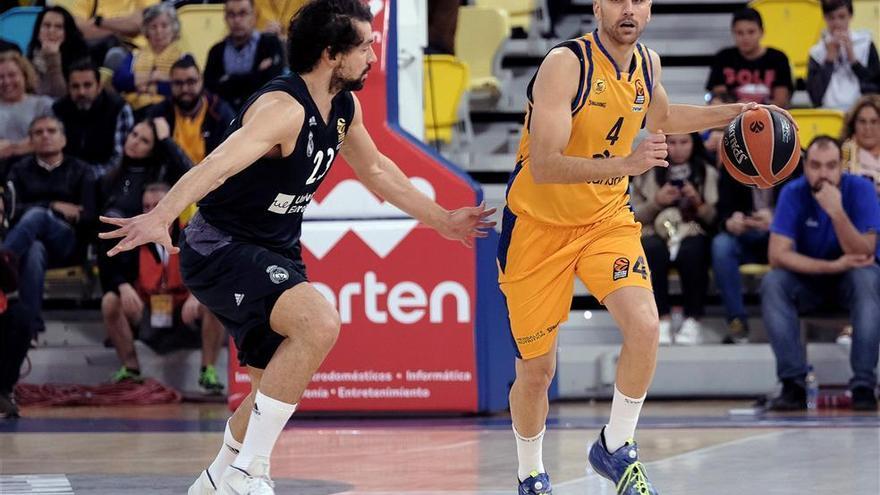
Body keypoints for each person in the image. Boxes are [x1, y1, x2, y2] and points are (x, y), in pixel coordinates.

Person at [99, 2, 493, 494]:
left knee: (271, 383)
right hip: (221, 244)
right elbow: (216, 165)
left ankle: (214, 480)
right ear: (331, 54)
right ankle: (250, 473)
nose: (373, 54)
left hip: (273, 249)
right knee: (320, 323)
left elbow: (376, 171)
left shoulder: (345, 107)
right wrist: (161, 215)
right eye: (364, 46)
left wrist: (442, 220)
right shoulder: (282, 108)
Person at [496, 0, 794, 492]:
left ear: (650, 9)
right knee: (536, 372)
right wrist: (629, 165)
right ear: (598, 7)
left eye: (638, 0)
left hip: (605, 222)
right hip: (537, 229)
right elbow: (544, 165)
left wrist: (737, 111)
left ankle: (615, 445)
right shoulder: (565, 64)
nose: (628, 9)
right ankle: (530, 473)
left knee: (646, 324)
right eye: (617, 0)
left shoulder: (646, 63)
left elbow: (666, 115)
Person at [762, 136, 880, 412]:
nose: (823, 174)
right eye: (815, 165)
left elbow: (865, 252)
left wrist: (837, 213)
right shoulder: (793, 192)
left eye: (830, 166)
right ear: (804, 165)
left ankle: (863, 384)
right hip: (809, 282)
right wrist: (833, 266)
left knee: (869, 276)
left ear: (842, 167)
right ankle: (793, 384)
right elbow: (777, 255)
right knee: (773, 282)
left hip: (850, 282)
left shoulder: (861, 189)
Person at [102, 184, 225, 393]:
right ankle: (131, 369)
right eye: (146, 206)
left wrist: (196, 296)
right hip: (147, 313)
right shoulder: (132, 238)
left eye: (157, 205)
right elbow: (110, 268)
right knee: (110, 302)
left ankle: (208, 370)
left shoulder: (193, 234)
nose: (150, 211)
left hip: (185, 314)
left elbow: (214, 271)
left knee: (214, 302)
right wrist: (123, 286)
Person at [3, 116, 94, 338]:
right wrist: (52, 206)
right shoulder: (19, 170)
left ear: (63, 139)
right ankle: (29, 329)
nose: (45, 136)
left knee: (37, 216)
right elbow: (11, 212)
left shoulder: (81, 170)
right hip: (28, 245)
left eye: (51, 131)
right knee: (35, 250)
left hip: (66, 242)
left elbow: (89, 215)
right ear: (31, 140)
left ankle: (2, 262)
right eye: (38, 132)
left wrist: (48, 213)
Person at [631, 133, 718, 345]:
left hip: (692, 231)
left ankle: (692, 319)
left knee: (694, 250)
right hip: (655, 232)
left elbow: (715, 219)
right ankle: (661, 318)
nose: (678, 148)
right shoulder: (646, 172)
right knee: (650, 250)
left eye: (684, 142)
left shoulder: (707, 173)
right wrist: (657, 201)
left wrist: (697, 203)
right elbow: (632, 216)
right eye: (672, 142)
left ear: (693, 144)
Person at [53, 60, 135, 178]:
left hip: (106, 178)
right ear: (68, 88)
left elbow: (120, 158)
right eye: (75, 86)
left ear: (99, 86)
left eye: (87, 85)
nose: (81, 92)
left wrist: (87, 177)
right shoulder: (59, 109)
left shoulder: (118, 108)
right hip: (66, 177)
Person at [149, 55, 236, 165]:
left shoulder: (220, 113)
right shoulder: (159, 113)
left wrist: (167, 141)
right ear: (170, 84)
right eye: (178, 83)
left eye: (191, 82)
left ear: (201, 80)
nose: (185, 89)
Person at [204, 0, 286, 111]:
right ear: (225, 18)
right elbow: (210, 89)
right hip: (227, 118)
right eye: (231, 14)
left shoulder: (270, 44)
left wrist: (229, 80)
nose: (237, 20)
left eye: (242, 13)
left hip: (264, 111)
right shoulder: (216, 51)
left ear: (254, 16)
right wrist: (257, 75)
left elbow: (273, 83)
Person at [706, 8, 794, 107]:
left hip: (769, 118)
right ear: (733, 33)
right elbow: (718, 98)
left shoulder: (778, 59)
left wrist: (753, 108)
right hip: (732, 118)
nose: (745, 38)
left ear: (761, 32)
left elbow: (781, 101)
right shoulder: (723, 58)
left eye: (751, 32)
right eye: (740, 33)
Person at [111, 3, 185, 116]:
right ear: (146, 31)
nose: (159, 32)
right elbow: (120, 81)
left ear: (174, 29)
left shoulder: (183, 57)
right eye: (153, 27)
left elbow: (181, 88)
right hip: (134, 110)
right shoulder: (134, 55)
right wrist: (154, 76)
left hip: (170, 112)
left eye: (164, 26)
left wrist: (142, 83)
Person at [806, 0, 880, 110]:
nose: (837, 23)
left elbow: (876, 89)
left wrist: (854, 61)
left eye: (841, 17)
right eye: (831, 17)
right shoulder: (816, 53)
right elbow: (815, 98)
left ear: (850, 16)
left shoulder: (866, 44)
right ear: (825, 18)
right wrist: (829, 62)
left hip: (861, 113)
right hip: (828, 113)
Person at [0, 52, 54, 169]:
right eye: (1, 77)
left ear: (24, 75)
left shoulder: (43, 104)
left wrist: (13, 148)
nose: (7, 82)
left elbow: (53, 138)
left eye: (12, 75)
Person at [26, 6, 89, 99]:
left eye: (59, 27)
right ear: (38, 31)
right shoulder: (27, 59)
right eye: (46, 25)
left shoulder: (80, 60)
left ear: (68, 32)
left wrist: (53, 59)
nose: (51, 31)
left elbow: (61, 97)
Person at [841, 95, 880, 197]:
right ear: (853, 124)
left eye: (874, 122)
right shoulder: (843, 155)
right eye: (862, 121)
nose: (868, 128)